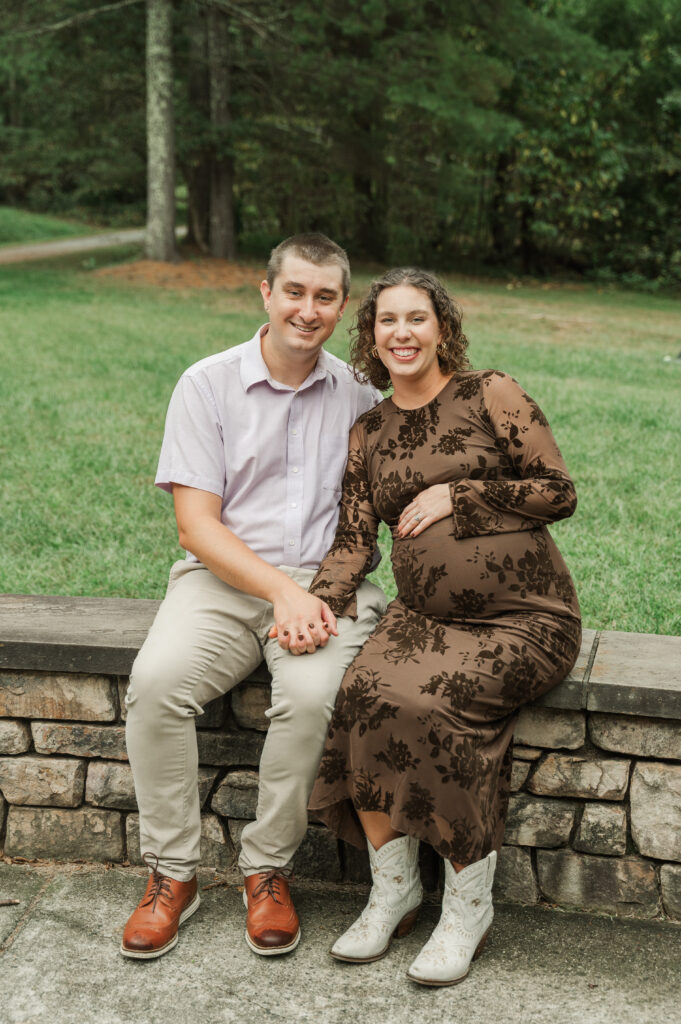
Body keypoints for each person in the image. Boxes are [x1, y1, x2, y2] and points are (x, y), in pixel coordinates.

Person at [283, 267, 581, 986]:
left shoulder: (488, 393)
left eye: (416, 318)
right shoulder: (371, 431)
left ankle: (466, 908)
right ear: (372, 337)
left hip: (526, 618)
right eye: (387, 321)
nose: (402, 333)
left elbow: (557, 492)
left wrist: (459, 494)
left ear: (441, 326)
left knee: (435, 704)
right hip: (425, 620)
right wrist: (317, 604)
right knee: (360, 695)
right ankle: (395, 890)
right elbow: (355, 538)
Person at [120, 234, 386, 960]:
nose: (307, 309)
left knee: (310, 698)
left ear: (340, 306)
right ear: (264, 293)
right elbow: (196, 526)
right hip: (224, 579)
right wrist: (278, 594)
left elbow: (389, 496)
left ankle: (265, 869)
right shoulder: (205, 384)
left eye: (324, 296)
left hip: (326, 587)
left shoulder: (361, 394)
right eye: (294, 292)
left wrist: (319, 595)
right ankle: (172, 873)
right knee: (155, 684)